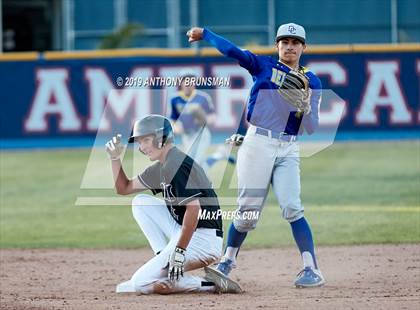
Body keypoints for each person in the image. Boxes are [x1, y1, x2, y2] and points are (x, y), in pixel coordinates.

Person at [186, 23, 325, 288]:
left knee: (292, 207)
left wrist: (305, 107)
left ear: (303, 47)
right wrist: (205, 34)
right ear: (277, 46)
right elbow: (232, 51)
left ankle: (311, 268)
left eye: (295, 42)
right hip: (258, 142)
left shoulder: (312, 81)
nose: (290, 46)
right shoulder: (263, 66)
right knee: (247, 211)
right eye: (284, 42)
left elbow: (311, 128)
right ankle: (227, 262)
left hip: (288, 147)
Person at [105, 114, 241, 294]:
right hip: (187, 230)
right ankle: (163, 258)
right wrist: (115, 158)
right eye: (139, 142)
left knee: (141, 283)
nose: (141, 147)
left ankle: (210, 284)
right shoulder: (162, 166)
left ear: (161, 138)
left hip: (203, 240)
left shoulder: (174, 164)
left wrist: (179, 252)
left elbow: (194, 209)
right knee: (141, 202)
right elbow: (124, 188)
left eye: (145, 140)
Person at [169, 69, 235, 171]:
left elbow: (213, 118)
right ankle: (219, 155)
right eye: (184, 80)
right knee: (192, 165)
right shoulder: (175, 99)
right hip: (186, 136)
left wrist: (202, 120)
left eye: (190, 80)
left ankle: (201, 185)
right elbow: (173, 120)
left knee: (194, 165)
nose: (187, 83)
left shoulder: (202, 97)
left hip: (201, 133)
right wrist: (176, 128)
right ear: (180, 82)